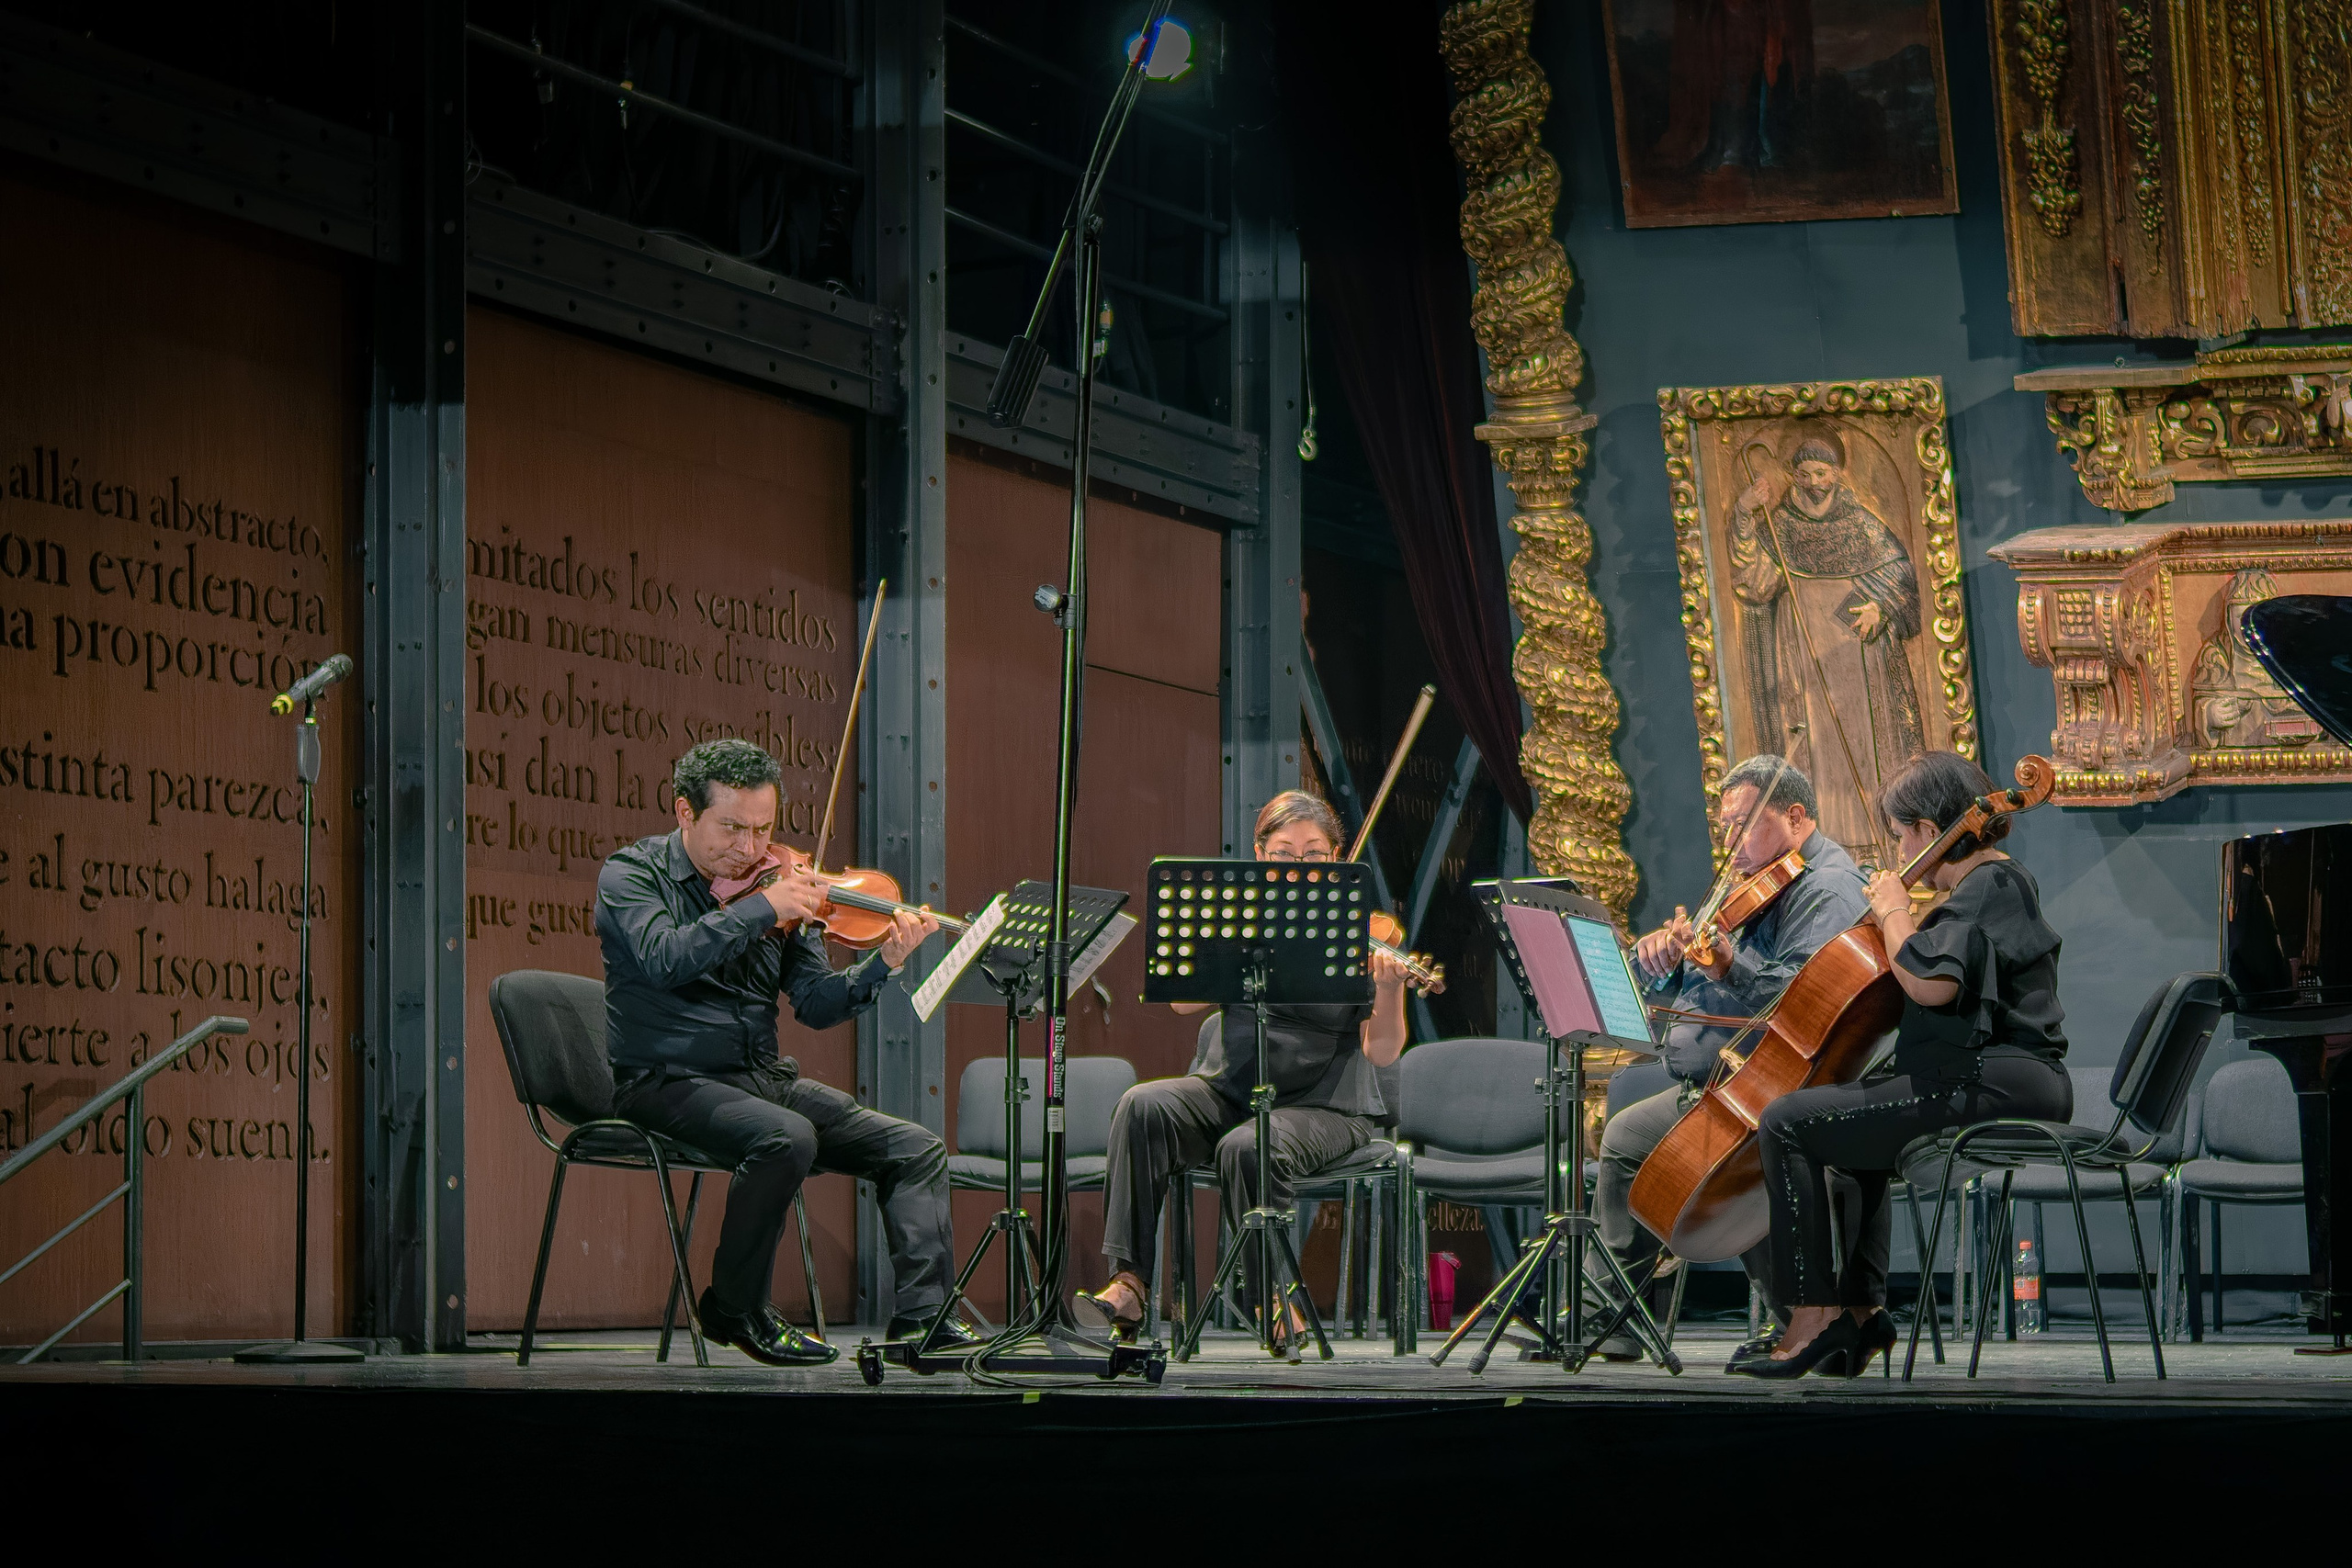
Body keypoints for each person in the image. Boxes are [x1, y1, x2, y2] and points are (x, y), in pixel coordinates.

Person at [597, 738, 966, 1367]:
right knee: (786, 1137)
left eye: (763, 828)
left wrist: (882, 964)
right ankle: (734, 1307)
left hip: (759, 1079)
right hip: (665, 1079)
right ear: (684, 812)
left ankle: (923, 1321)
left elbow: (818, 1004)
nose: (749, 848)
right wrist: (762, 907)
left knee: (915, 1147)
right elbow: (663, 957)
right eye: (732, 828)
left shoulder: (782, 887)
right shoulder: (632, 875)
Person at [1735, 750, 2071, 1379]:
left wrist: (1893, 908)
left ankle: (1811, 1316)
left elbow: (1933, 984)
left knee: (1784, 1121)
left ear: (1927, 828)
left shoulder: (1988, 883)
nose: (1900, 855)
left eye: (1900, 836)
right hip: (1996, 1080)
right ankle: (1861, 1315)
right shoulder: (1991, 885)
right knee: (1856, 1126)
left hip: (1991, 1083)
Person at [1075, 791, 1412, 1341]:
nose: (1299, 868)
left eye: (1314, 856)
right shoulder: (1242, 916)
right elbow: (1184, 1003)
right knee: (1142, 1106)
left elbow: (1381, 1050)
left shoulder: (1361, 932)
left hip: (1323, 1105)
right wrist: (1230, 945)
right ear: (1260, 855)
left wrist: (1390, 987)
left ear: (1336, 858)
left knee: (1249, 1145)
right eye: (1283, 855)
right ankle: (1130, 1283)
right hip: (1231, 1089)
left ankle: (1273, 1300)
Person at [1590, 752, 1870, 1362]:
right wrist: (1664, 961)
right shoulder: (1755, 883)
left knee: (1731, 1168)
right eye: (1724, 827)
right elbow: (1710, 986)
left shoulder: (1827, 888)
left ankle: (1809, 1324)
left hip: (1776, 1088)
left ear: (1796, 816)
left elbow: (1804, 999)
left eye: (1744, 825)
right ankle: (1610, 1320)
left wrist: (1728, 963)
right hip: (1721, 1084)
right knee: (1627, 1139)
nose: (1731, 841)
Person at [1730, 433, 1927, 861]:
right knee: (1812, 743)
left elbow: (1901, 576)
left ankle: (1878, 846)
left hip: (1857, 652)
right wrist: (1744, 514)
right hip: (1799, 647)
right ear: (1792, 475)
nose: (1813, 481)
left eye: (1821, 472)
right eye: (1803, 473)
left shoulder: (1861, 525)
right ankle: (1819, 848)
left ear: (1837, 472)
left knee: (1862, 742)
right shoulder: (1780, 526)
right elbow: (1755, 582)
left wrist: (1881, 605)